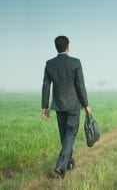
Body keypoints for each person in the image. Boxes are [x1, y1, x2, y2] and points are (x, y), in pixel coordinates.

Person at [41, 35, 91, 179]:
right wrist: (86, 104)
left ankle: (68, 162)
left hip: (59, 105)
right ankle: (61, 164)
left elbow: (46, 85)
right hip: (74, 104)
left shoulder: (50, 64)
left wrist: (45, 107)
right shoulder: (75, 62)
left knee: (65, 135)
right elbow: (80, 85)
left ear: (56, 47)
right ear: (68, 46)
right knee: (70, 134)